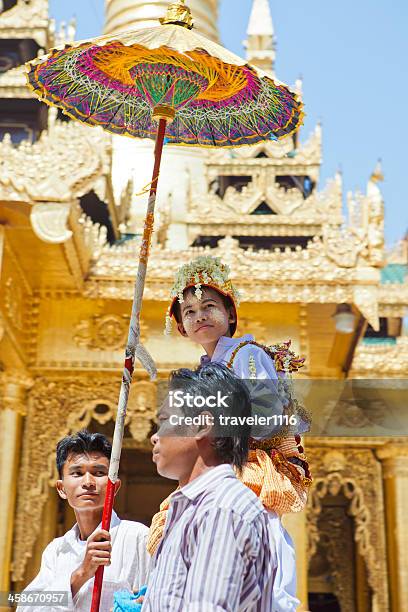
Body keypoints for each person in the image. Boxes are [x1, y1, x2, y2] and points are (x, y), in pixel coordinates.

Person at [148, 255, 311, 554]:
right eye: (190, 312)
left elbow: (266, 419)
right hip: (220, 464)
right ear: (182, 327)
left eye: (209, 306)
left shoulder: (246, 354)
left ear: (230, 314)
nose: (200, 316)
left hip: (249, 466)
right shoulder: (208, 367)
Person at [142, 363, 299, 611]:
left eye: (165, 420)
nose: (155, 435)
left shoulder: (222, 509)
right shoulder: (189, 509)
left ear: (203, 426)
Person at [17, 430, 150, 612]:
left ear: (115, 487)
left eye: (99, 472)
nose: (88, 482)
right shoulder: (57, 550)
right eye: (77, 473)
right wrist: (81, 574)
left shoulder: (138, 538)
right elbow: (27, 608)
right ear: (61, 488)